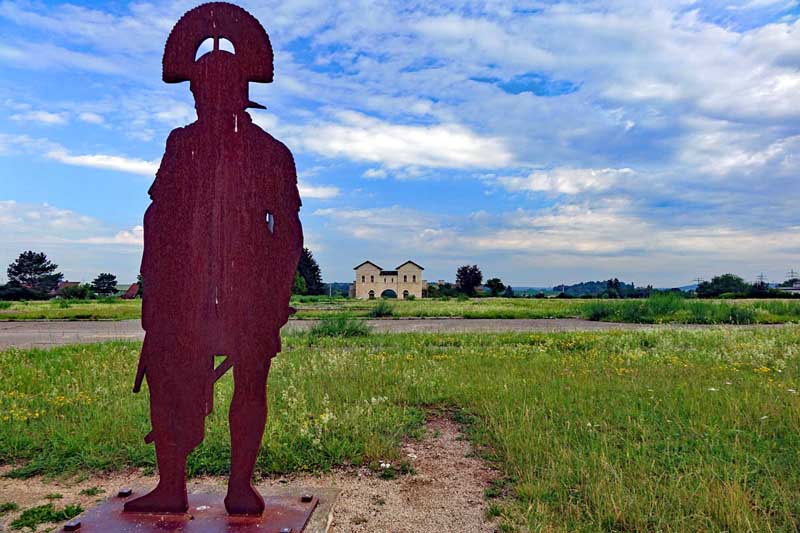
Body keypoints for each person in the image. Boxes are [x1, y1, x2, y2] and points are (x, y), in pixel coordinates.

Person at [124, 3, 303, 516]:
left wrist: (276, 295)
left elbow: (287, 232)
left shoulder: (271, 153)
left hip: (247, 295)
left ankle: (240, 487)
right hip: (183, 296)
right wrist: (153, 286)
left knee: (250, 381)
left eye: (216, 88)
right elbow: (158, 218)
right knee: (167, 376)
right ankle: (170, 485)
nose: (206, 97)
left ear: (237, 90)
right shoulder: (181, 145)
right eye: (200, 88)